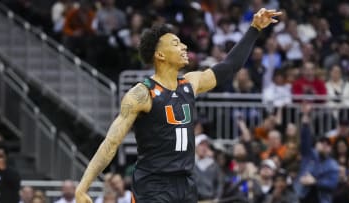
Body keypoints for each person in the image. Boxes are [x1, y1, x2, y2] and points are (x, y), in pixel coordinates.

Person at [75, 8, 281, 203]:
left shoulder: (190, 83)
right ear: (160, 55)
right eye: (175, 43)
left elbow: (229, 66)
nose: (183, 47)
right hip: (153, 185)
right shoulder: (142, 93)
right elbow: (111, 143)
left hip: (185, 184)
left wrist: (254, 29)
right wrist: (83, 187)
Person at [294, 104, 339, 203]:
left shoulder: (333, 165)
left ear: (330, 149)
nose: (324, 145)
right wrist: (306, 122)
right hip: (302, 196)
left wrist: (315, 182)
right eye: (321, 143)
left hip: (321, 199)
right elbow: (305, 139)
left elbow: (332, 184)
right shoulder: (308, 156)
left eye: (327, 144)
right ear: (316, 145)